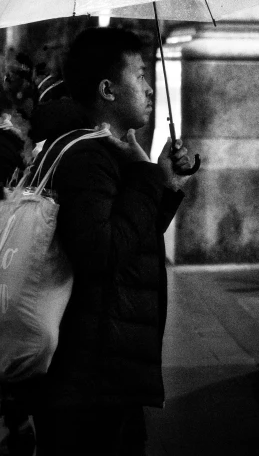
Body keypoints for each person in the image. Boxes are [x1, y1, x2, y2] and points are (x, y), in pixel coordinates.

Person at [27, 27, 196, 456]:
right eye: (139, 76)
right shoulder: (88, 157)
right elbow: (103, 251)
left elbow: (131, 237)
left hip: (104, 362)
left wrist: (167, 186)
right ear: (107, 89)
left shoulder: (106, 150)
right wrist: (146, 177)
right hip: (89, 374)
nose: (148, 86)